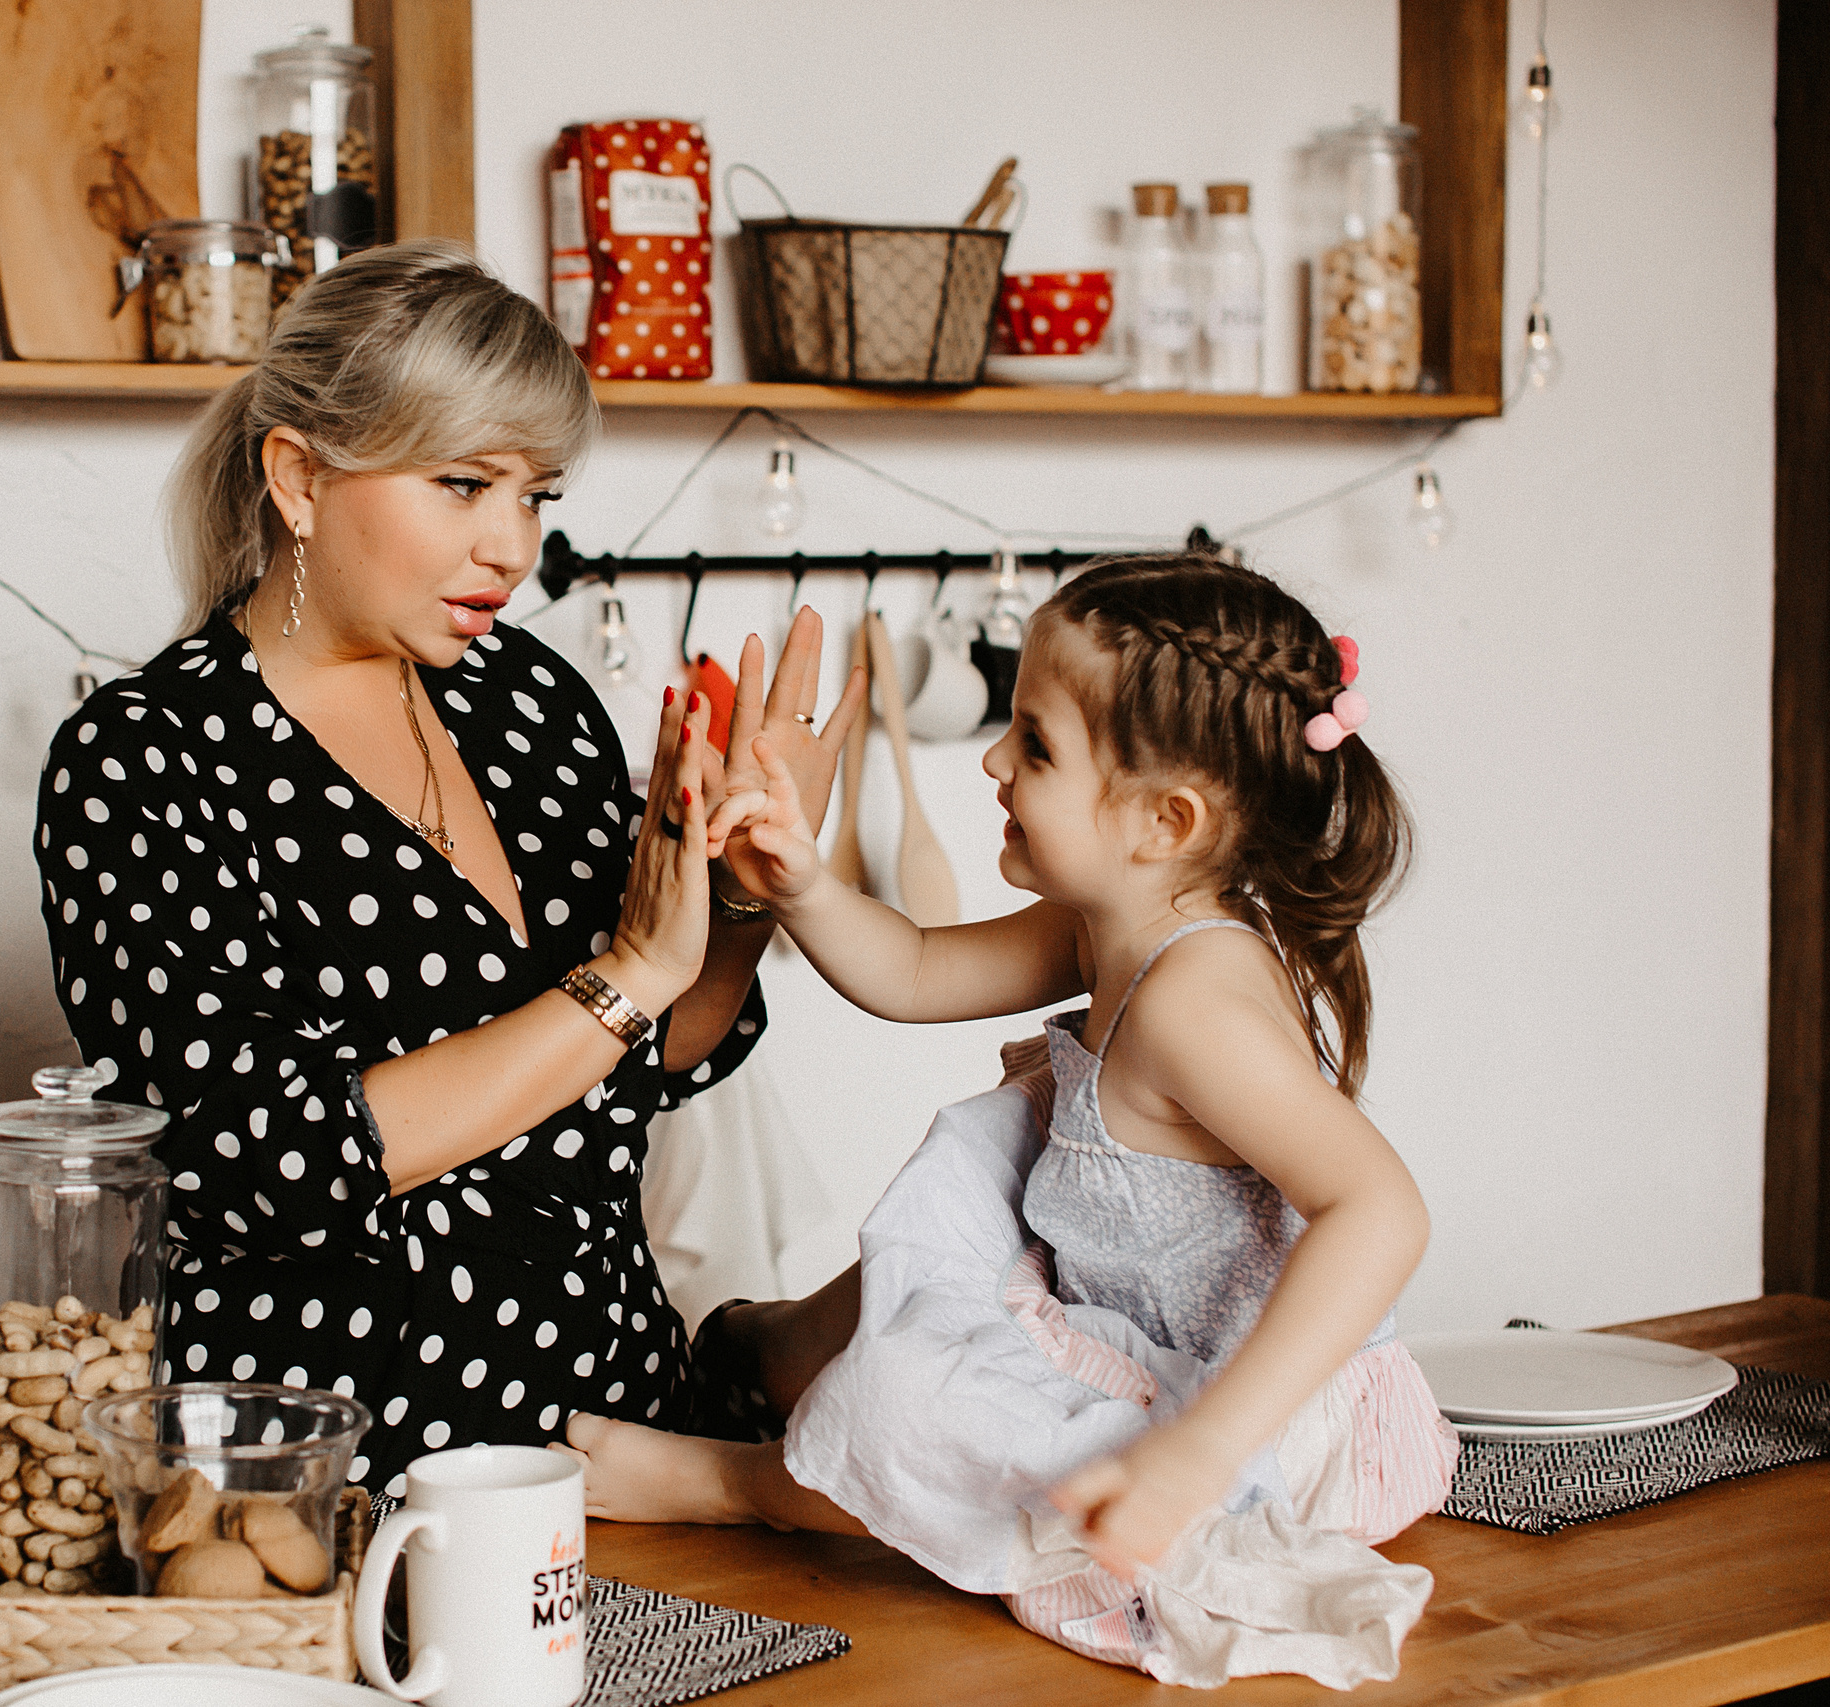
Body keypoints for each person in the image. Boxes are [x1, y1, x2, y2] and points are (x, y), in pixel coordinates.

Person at [34, 241, 865, 1496]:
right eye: (464, 483)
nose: (510, 546)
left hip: (616, 1433)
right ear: (298, 479)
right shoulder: (145, 757)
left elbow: (651, 1063)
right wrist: (623, 976)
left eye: (537, 496)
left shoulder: (527, 698)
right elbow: (266, 1161)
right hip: (330, 1470)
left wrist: (742, 894)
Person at [565, 554, 1458, 1684]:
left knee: (906, 1400)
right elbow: (915, 971)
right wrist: (799, 884)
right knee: (966, 1205)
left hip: (1269, 1427)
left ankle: (743, 1490)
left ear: (1162, 819)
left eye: (1032, 744)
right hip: (1129, 1343)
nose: (991, 759)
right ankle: (779, 1360)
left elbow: (1378, 1211)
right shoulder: (1106, 923)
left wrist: (1196, 1455)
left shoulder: (1197, 995)